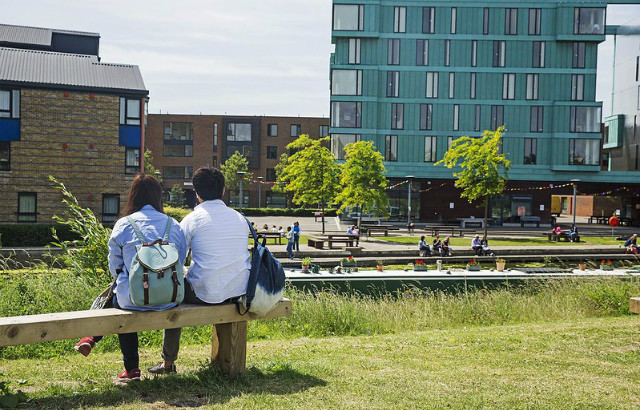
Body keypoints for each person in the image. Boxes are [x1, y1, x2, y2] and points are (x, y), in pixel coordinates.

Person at [74, 174, 187, 383]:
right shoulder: (174, 225)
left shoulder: (124, 225)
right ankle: (92, 337)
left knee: (121, 296)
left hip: (133, 299)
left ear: (132, 197)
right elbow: (180, 261)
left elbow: (115, 266)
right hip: (170, 298)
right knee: (122, 292)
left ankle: (131, 368)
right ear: (158, 197)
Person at [148, 167, 250, 375]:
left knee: (174, 291)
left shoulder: (192, 220)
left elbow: (176, 260)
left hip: (205, 294)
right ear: (223, 190)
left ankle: (168, 363)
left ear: (196, 193)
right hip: (238, 292)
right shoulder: (240, 218)